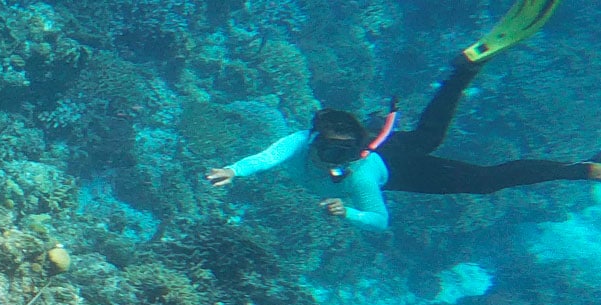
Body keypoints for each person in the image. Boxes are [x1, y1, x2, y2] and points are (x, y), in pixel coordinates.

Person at [207, 0, 598, 231]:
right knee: (428, 138)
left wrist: (351, 213)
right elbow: (265, 158)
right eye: (330, 153)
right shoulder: (296, 143)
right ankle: (464, 70)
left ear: (357, 150)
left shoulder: (359, 174)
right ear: (313, 139)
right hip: (382, 147)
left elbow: (379, 218)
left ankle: (582, 169)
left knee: (483, 182)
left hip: (395, 169)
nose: (337, 163)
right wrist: (233, 170)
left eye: (345, 155)